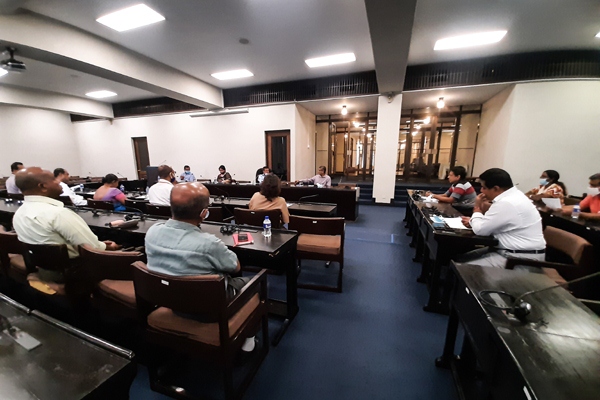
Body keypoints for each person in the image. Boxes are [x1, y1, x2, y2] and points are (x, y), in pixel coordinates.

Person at [145, 182, 255, 352]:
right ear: (204, 213)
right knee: (255, 283)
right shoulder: (209, 244)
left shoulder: (152, 232)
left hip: (167, 300)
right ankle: (249, 339)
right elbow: (235, 267)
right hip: (208, 311)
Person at [12, 167, 120, 281]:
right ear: (43, 187)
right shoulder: (58, 214)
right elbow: (93, 249)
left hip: (45, 271)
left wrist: (99, 244)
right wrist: (109, 247)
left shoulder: (19, 213)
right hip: (73, 276)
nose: (59, 182)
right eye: (54, 179)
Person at [456, 168, 546, 268]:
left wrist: (477, 209)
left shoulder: (507, 203)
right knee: (460, 258)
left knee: (460, 267)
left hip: (519, 259)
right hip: (512, 252)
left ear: (496, 188)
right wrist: (474, 222)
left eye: (484, 187)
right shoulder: (514, 196)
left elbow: (480, 230)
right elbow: (488, 223)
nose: (481, 191)